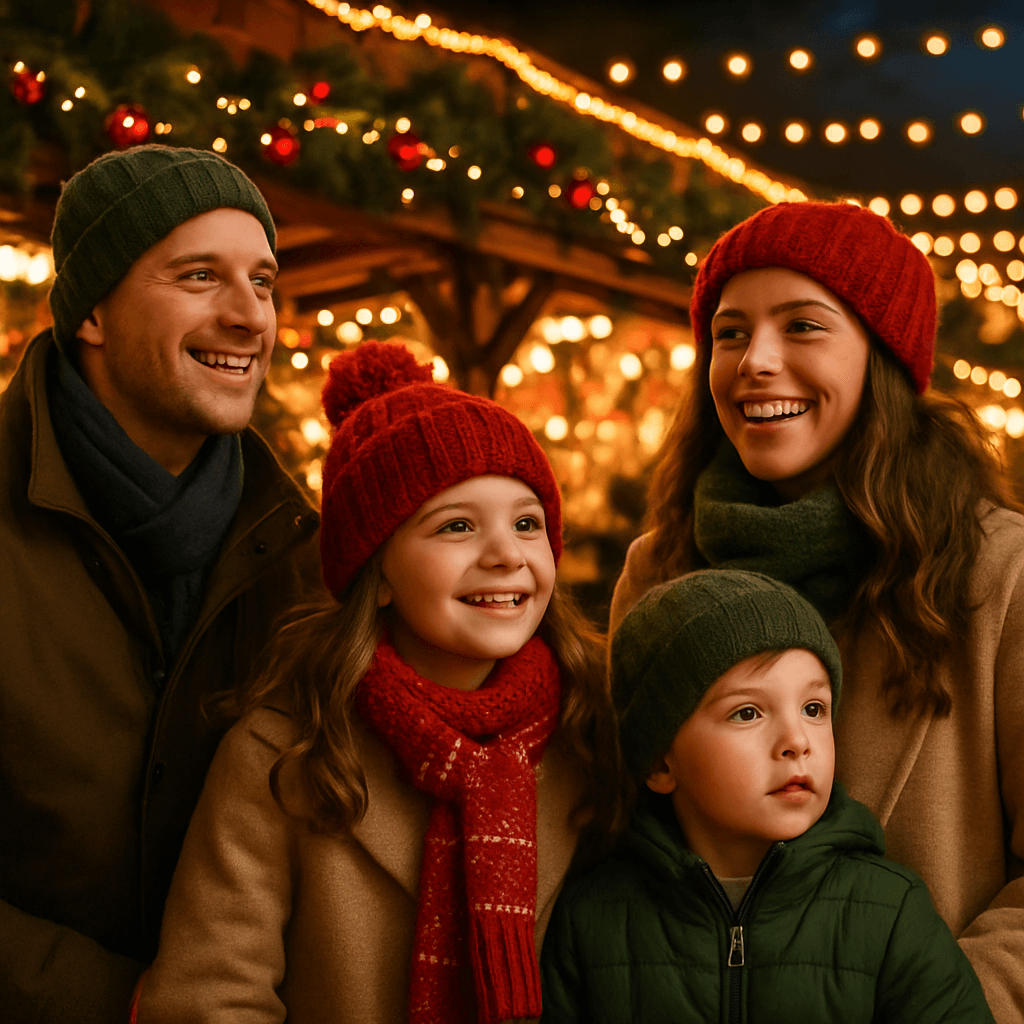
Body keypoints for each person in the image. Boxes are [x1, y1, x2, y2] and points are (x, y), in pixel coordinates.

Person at [608, 200, 1024, 1020]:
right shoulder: (657, 570)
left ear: (884, 358)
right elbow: (623, 837)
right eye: (729, 333)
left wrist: (937, 1005)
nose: (754, 361)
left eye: (803, 326)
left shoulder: (1000, 571)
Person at [134, 341, 618, 1024]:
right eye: (456, 526)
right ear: (378, 570)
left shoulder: (588, 731)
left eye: (527, 523)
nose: (506, 554)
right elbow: (210, 993)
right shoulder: (284, 754)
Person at [0, 145, 322, 1023]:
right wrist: (128, 1003)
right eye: (197, 276)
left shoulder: (304, 553)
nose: (249, 316)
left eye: (262, 281)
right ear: (93, 311)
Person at [542, 569, 995, 1023]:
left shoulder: (890, 909)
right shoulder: (590, 921)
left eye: (813, 709)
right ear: (661, 764)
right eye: (748, 712)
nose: (797, 740)